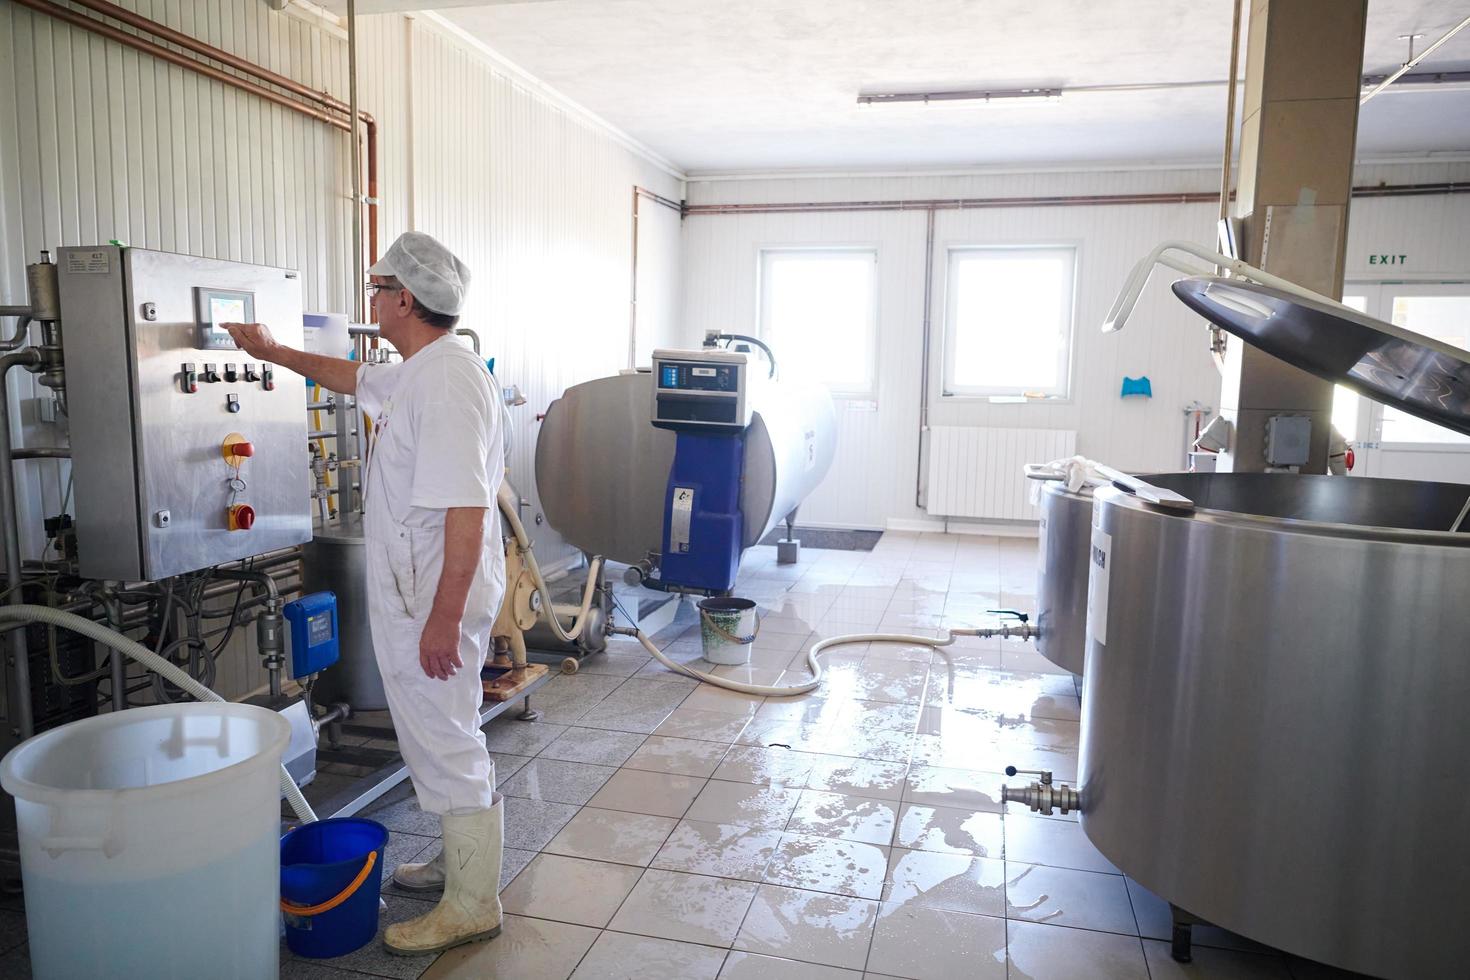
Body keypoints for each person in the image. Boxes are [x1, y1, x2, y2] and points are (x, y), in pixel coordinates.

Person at [225, 231, 505, 956]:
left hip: (431, 598)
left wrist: (442, 619)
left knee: (444, 734)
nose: (371, 297)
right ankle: (457, 863)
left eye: (376, 287)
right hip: (421, 589)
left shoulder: (444, 382)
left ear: (404, 299)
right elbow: (351, 377)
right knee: (443, 728)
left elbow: (466, 512)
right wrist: (273, 352)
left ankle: (474, 902)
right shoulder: (418, 370)